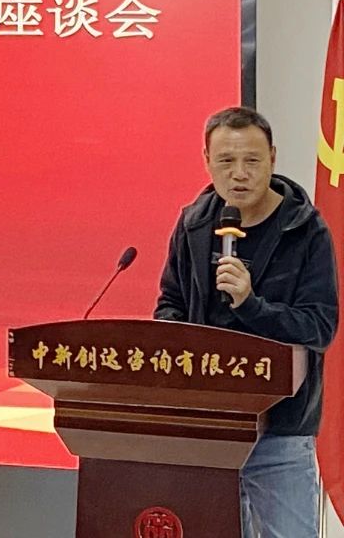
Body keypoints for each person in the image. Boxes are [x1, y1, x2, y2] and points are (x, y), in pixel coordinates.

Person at [155, 106, 338, 538]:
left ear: (273, 158)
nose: (239, 174)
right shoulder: (195, 223)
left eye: (252, 160)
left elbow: (319, 327)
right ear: (206, 160)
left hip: (280, 429)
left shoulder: (306, 230)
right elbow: (170, 304)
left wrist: (251, 305)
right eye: (226, 161)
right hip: (208, 428)